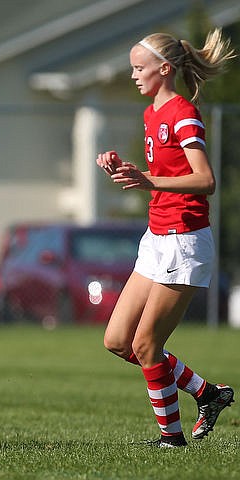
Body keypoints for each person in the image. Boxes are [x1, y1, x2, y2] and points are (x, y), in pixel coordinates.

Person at [97, 29, 235, 448]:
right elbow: (168, 173)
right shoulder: (151, 113)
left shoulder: (182, 113)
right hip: (156, 237)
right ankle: (209, 395)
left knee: (146, 343)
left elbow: (205, 179)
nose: (134, 75)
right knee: (118, 341)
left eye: (139, 68)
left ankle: (171, 440)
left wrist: (147, 180)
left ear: (165, 68)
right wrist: (124, 167)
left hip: (184, 242)